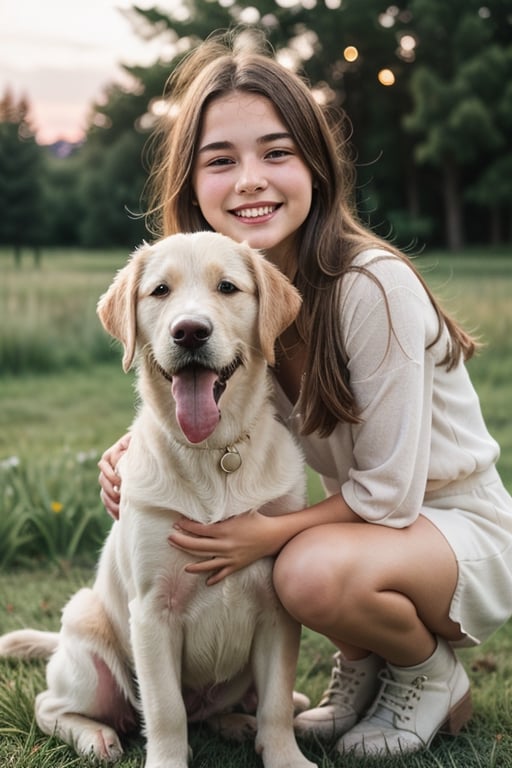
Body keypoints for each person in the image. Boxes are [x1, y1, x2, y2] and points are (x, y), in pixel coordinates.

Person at [98, 29, 512, 758]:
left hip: (452, 525)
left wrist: (263, 533)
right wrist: (136, 450)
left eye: (276, 152)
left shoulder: (370, 288)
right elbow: (223, 412)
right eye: (221, 161)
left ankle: (426, 672)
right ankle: (364, 665)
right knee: (295, 554)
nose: (251, 178)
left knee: (298, 567)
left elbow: (388, 493)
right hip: (381, 531)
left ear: (315, 167)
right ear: (193, 185)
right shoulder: (239, 301)